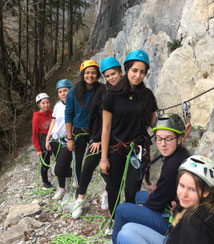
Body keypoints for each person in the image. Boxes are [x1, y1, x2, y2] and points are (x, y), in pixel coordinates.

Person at [87, 113, 190, 244]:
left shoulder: (172, 165)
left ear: (180, 139)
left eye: (168, 139)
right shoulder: (179, 155)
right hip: (173, 209)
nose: (163, 144)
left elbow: (157, 202)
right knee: (138, 196)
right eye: (159, 139)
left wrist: (142, 209)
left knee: (123, 210)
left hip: (171, 221)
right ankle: (128, 233)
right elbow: (164, 191)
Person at [99, 49, 158, 219]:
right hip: (116, 147)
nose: (138, 75)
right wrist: (103, 158)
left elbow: (153, 123)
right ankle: (114, 219)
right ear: (127, 70)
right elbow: (106, 128)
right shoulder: (111, 95)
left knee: (132, 188)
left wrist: (170, 134)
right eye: (134, 70)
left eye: (142, 72)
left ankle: (129, 220)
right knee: (114, 186)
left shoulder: (147, 96)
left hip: (137, 148)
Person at [72, 57, 123, 218]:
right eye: (107, 76)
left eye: (113, 74)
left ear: (120, 73)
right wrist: (96, 139)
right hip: (101, 138)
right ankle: (80, 200)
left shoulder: (127, 90)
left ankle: (108, 193)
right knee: (87, 165)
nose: (111, 78)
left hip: (119, 140)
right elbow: (95, 117)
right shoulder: (102, 91)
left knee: (110, 173)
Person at [65, 60, 101, 190]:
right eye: (87, 73)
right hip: (78, 130)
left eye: (93, 73)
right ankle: (79, 188)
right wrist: (69, 139)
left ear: (97, 74)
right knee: (78, 161)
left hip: (95, 131)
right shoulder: (73, 92)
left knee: (93, 160)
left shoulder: (101, 90)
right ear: (82, 74)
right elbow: (68, 115)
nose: (90, 75)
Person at [45, 79, 73, 200]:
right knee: (60, 165)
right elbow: (53, 121)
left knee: (59, 169)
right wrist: (48, 138)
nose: (62, 93)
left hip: (68, 141)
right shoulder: (57, 105)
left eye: (65, 91)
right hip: (55, 139)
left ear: (70, 91)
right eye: (60, 91)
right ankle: (61, 188)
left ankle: (77, 175)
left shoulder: (76, 105)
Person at [32, 93, 53, 188]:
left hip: (52, 137)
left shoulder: (51, 112)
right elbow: (34, 134)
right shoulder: (36, 118)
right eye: (43, 103)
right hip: (42, 139)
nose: (46, 105)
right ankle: (45, 182)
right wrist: (38, 149)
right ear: (39, 105)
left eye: (47, 102)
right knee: (46, 163)